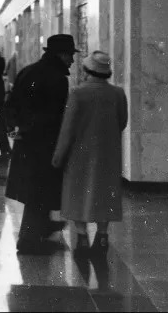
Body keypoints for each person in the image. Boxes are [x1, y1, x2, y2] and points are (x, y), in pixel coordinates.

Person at [3, 34, 79, 254]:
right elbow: (56, 116)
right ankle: (29, 241)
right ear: (61, 55)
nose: (72, 61)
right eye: (70, 56)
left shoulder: (28, 71)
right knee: (39, 192)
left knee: (36, 191)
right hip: (44, 143)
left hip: (27, 141)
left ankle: (42, 229)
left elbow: (12, 103)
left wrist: (15, 127)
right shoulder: (56, 78)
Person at [52, 51, 128, 258]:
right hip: (108, 154)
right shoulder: (118, 93)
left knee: (77, 193)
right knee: (105, 193)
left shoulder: (78, 93)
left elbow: (68, 128)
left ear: (86, 71)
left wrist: (59, 155)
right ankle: (102, 236)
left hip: (80, 153)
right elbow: (122, 122)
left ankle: (82, 236)